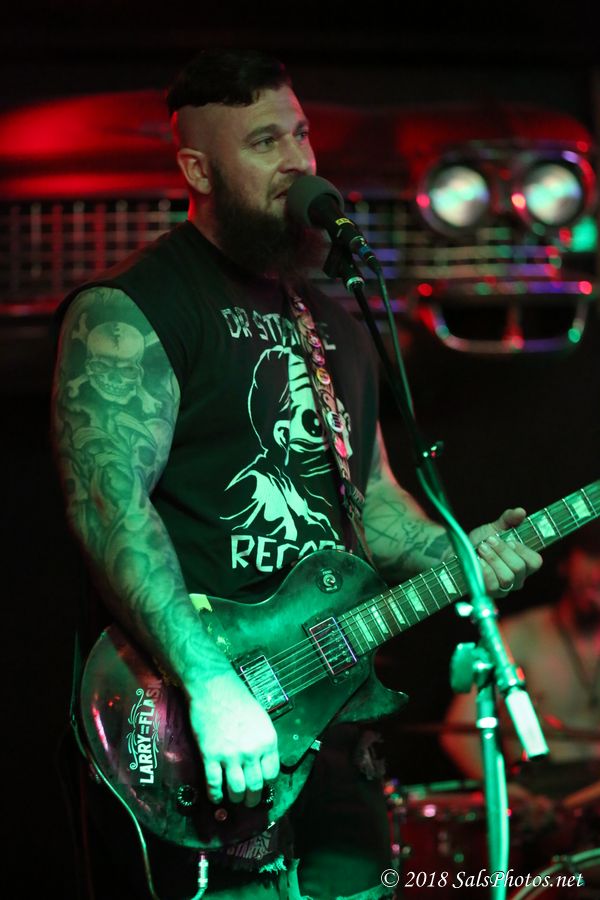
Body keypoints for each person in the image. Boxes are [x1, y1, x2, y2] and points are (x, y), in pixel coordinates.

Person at [51, 49, 542, 900]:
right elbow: (109, 508)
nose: (296, 160)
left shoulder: (336, 324)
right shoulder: (135, 308)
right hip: (202, 718)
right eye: (263, 141)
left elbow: (374, 504)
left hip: (337, 717)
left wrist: (460, 553)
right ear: (197, 169)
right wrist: (209, 685)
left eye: (301, 134)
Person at [441, 524, 600, 865]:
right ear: (565, 562)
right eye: (591, 555)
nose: (599, 573)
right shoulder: (518, 634)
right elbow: (458, 732)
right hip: (538, 815)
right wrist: (504, 790)